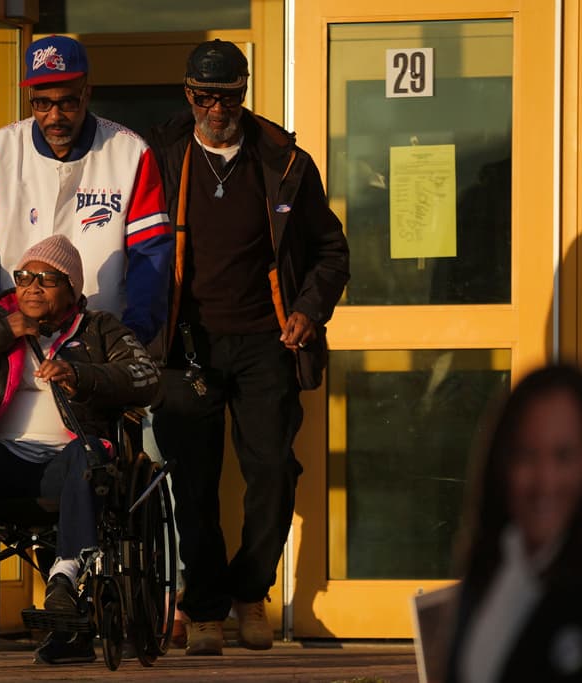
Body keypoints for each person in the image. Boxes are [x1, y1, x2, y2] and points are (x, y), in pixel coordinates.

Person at [146, 40, 350, 655]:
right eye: (205, 96)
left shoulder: (284, 159)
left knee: (273, 471)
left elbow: (330, 251)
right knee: (194, 482)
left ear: (245, 93)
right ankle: (204, 608)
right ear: (188, 96)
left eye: (229, 96)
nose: (217, 108)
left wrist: (309, 312)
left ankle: (249, 593)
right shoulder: (159, 158)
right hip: (186, 344)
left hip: (268, 339)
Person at [0, 234, 160, 665]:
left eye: (47, 279)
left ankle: (65, 579)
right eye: (24, 277)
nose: (32, 286)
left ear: (72, 290)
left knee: (91, 456)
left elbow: (145, 378)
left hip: (66, 465)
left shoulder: (99, 329)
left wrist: (82, 376)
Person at [0, 34, 172, 345]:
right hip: (15, 340)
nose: (54, 116)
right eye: (43, 103)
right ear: (31, 97)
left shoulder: (130, 152)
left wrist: (130, 338)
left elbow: (150, 255)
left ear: (87, 93)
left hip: (100, 341)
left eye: (67, 102)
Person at [444, 363, 582, 682]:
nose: (544, 481)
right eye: (526, 455)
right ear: (502, 461)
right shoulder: (486, 566)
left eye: (563, 456)